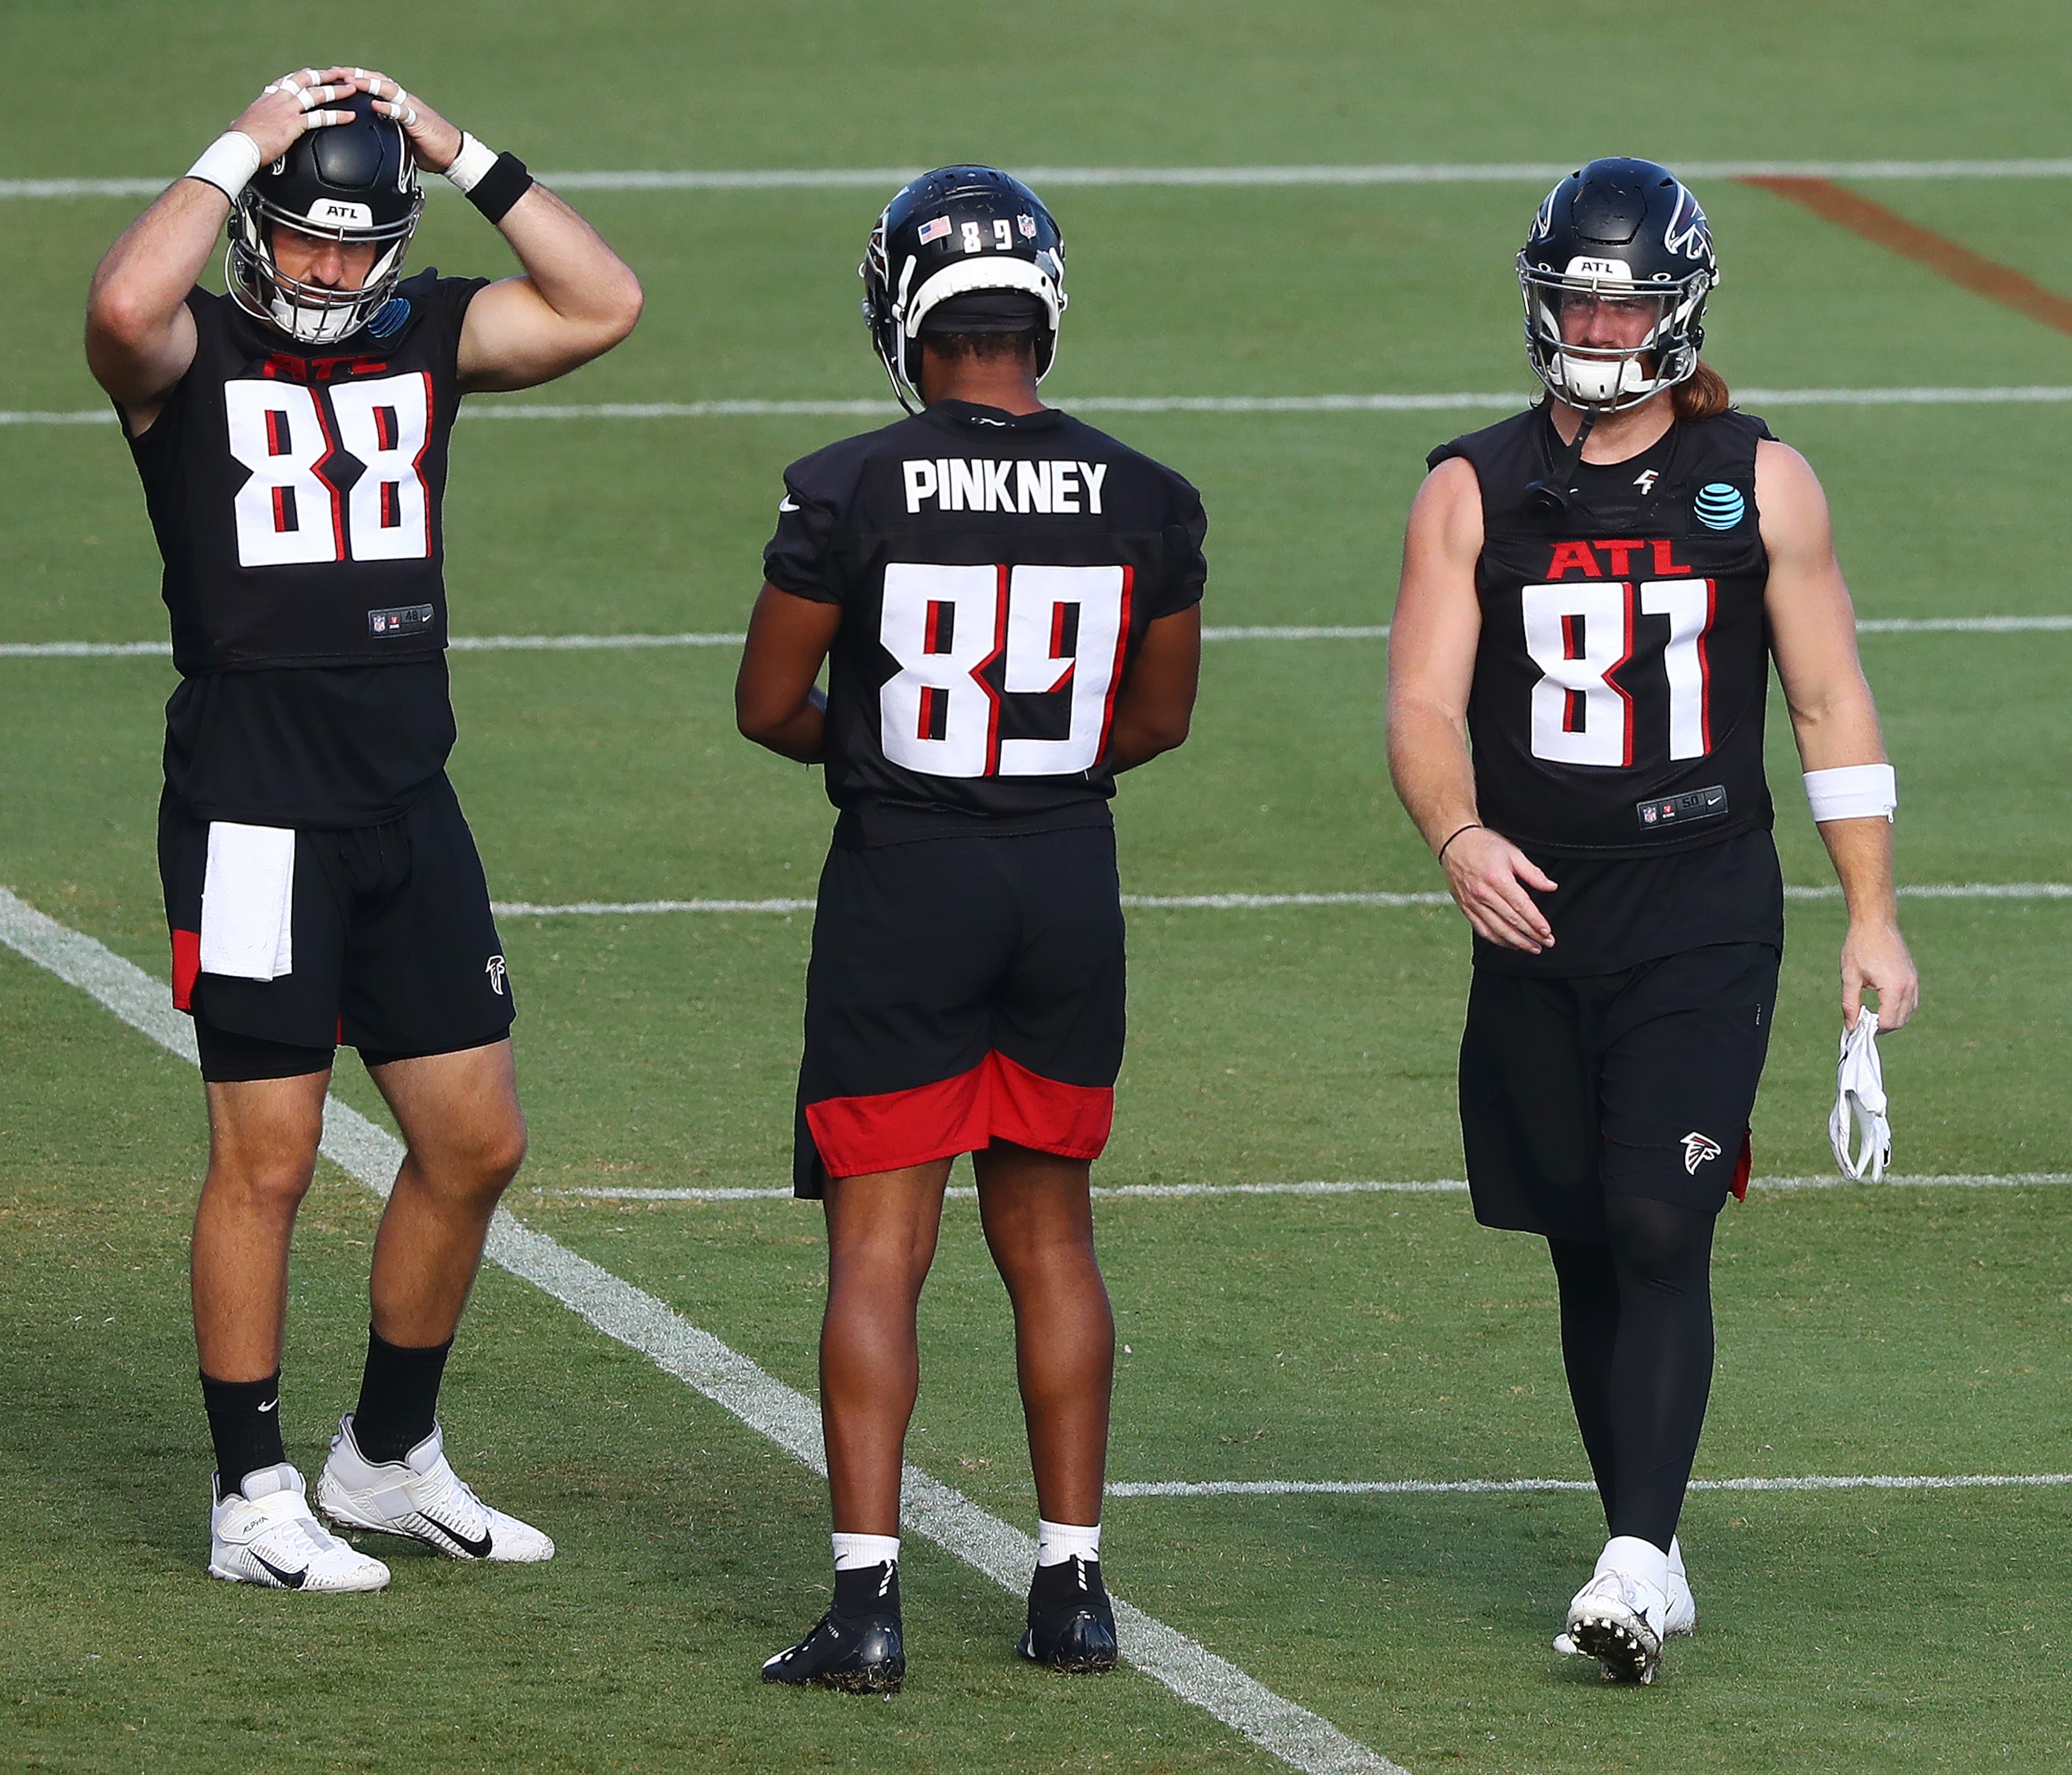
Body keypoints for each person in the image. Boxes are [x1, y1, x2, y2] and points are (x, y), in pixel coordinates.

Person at [85, 68, 642, 1592]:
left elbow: (602, 300)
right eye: (307, 239)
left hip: (408, 798)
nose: (332, 271)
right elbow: (124, 298)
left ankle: (386, 1458)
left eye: (360, 243)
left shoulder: (432, 328)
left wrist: (455, 148)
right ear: (260, 224)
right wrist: (239, 143)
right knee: (263, 1157)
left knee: (475, 1141)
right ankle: (248, 1489)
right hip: (256, 811)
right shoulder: (189, 349)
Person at [1386, 157, 1918, 1682]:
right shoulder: (1469, 486)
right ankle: (1651, 1540)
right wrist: (1459, 830)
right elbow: (1423, 702)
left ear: (1677, 305)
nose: (1597, 320)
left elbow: (1826, 699)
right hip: (1538, 901)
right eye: (1575, 293)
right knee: (1581, 1238)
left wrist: (1869, 913)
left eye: (1622, 294)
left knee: (1656, 1213)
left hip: (1701, 891)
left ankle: (1629, 1556)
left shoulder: (1757, 476)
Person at [735, 166, 1205, 1691]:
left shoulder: (847, 485)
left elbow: (766, 706)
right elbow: (1157, 717)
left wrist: (885, 751)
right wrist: (1036, 766)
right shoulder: (1148, 495)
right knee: (1052, 1233)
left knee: (880, 1247)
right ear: (1041, 315)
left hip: (906, 884)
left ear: (905, 313)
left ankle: (867, 1607)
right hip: (1065, 880)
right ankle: (1072, 1587)